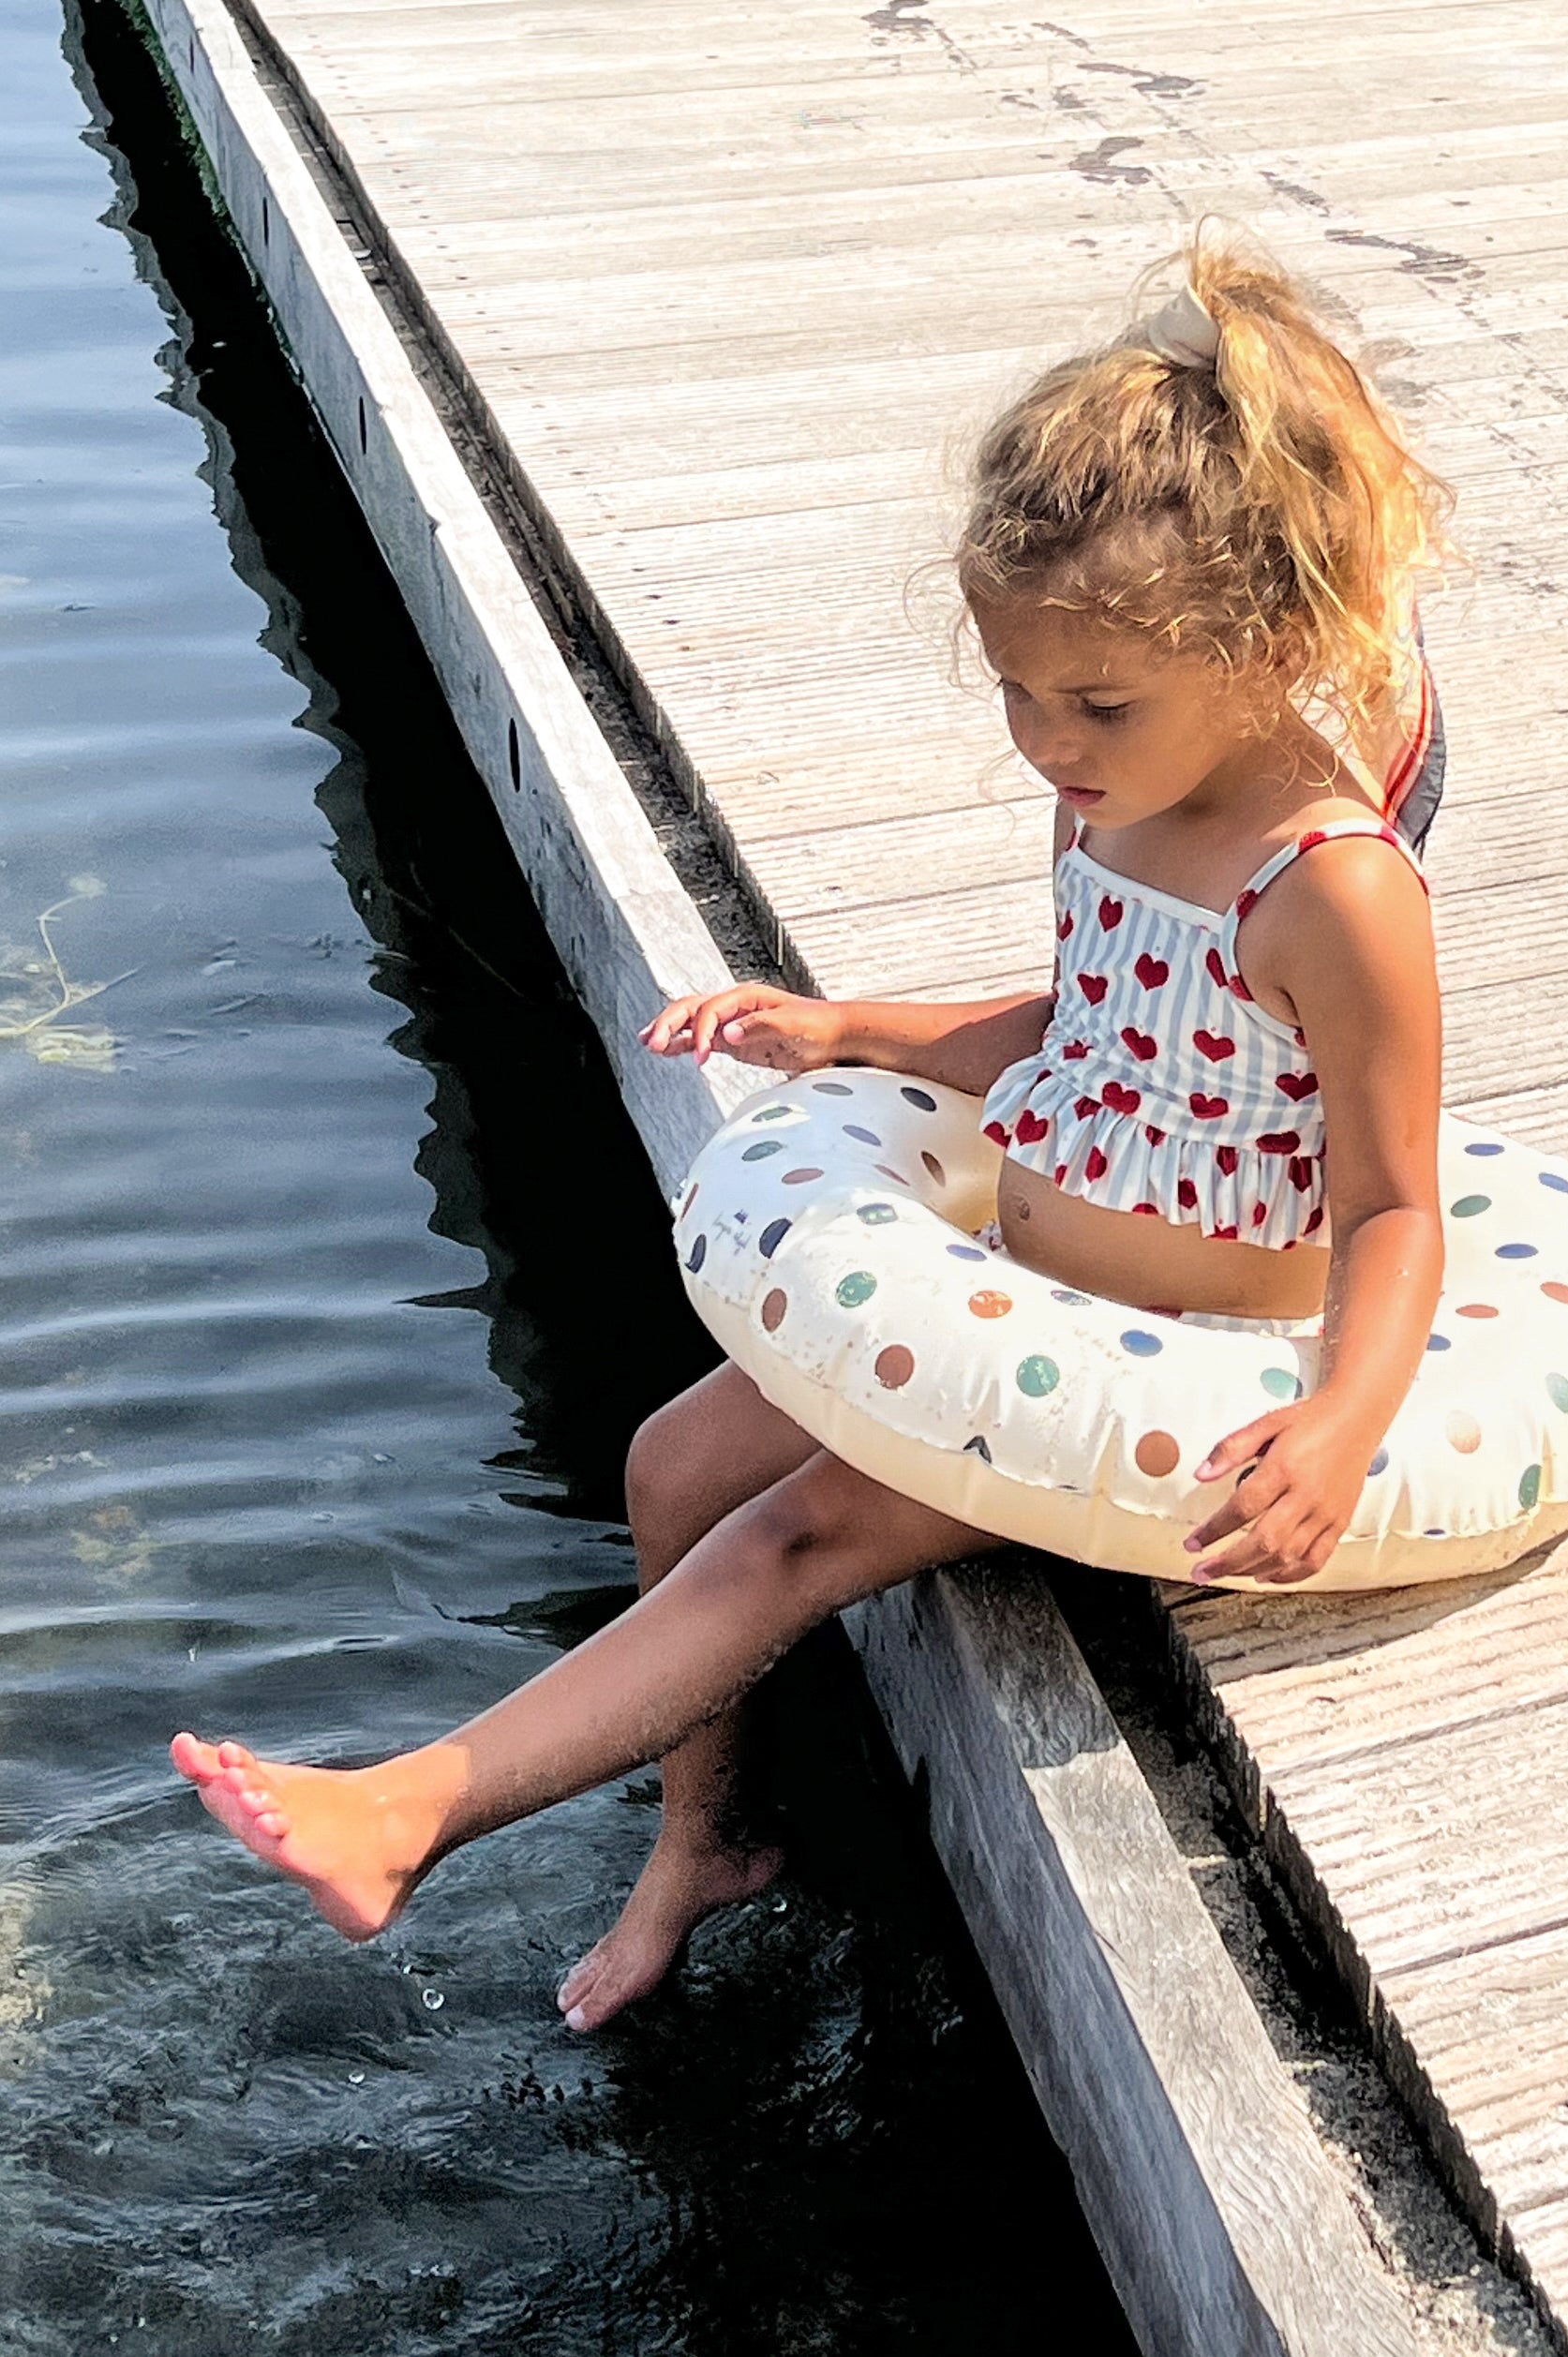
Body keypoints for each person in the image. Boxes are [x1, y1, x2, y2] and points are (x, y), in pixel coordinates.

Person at [172, 235, 1453, 2032]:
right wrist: (857, 1030)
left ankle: (410, 1811)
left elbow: (1394, 1203)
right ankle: (698, 1839)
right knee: (672, 1462)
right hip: (1021, 1282)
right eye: (1015, 691)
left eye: (1094, 703)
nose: (1046, 741)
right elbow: (1088, 1029)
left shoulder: (1334, 891)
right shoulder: (1115, 800)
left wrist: (1343, 1419)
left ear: (1272, 648)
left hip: (1155, 1370)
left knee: (790, 1537)